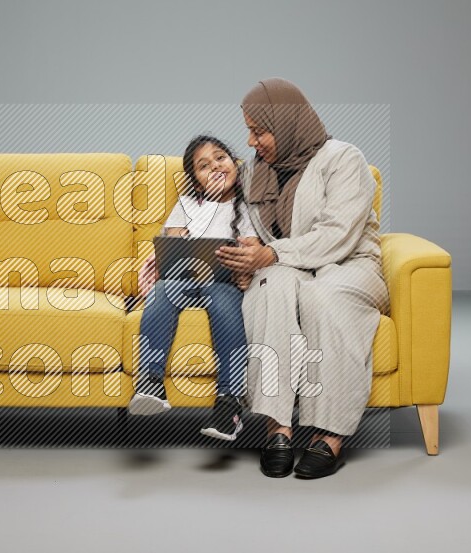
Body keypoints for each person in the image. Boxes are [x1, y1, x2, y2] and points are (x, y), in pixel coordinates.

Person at [216, 78, 390, 478]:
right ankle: (277, 428)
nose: (250, 141)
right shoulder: (258, 171)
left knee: (321, 298)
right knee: (269, 288)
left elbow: (337, 234)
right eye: (248, 130)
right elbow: (253, 234)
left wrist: (272, 252)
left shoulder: (344, 158)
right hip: (289, 267)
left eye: (259, 131)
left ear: (288, 123)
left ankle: (330, 436)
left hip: (348, 265)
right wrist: (245, 256)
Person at [128, 135, 260, 442]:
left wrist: (245, 272)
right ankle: (150, 382)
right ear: (197, 182)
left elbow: (252, 249)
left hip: (223, 282)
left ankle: (229, 403)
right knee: (163, 292)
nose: (215, 166)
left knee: (225, 300)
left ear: (234, 165)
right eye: (204, 166)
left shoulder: (249, 206)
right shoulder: (187, 204)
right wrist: (181, 238)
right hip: (184, 278)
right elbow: (172, 242)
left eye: (220, 158)